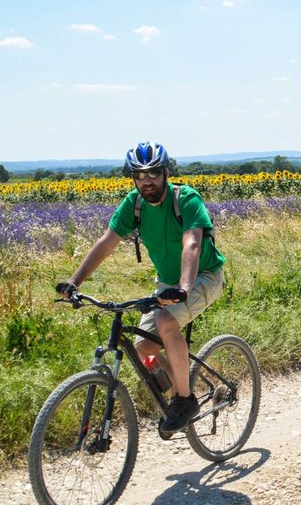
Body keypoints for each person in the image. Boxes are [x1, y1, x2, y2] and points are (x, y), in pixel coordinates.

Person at [57, 141, 227, 435]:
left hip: (204, 276)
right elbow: (107, 242)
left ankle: (185, 401)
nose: (147, 181)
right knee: (143, 350)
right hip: (167, 285)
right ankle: (179, 388)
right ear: (133, 177)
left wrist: (184, 287)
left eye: (153, 174)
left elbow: (192, 242)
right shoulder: (134, 204)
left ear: (165, 172)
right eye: (139, 175)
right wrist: (75, 281)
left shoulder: (185, 199)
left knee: (165, 320)